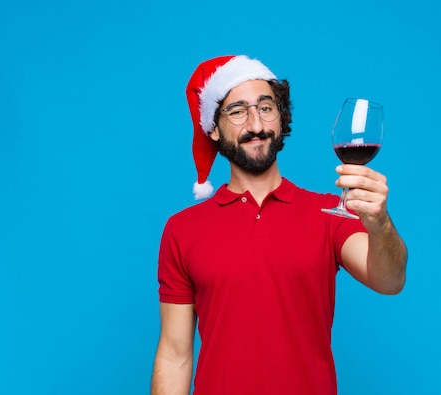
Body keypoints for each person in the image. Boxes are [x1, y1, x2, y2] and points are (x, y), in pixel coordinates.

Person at [151, 55, 408, 395]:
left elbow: (390, 280)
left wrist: (380, 224)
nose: (256, 125)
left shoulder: (329, 213)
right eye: (238, 111)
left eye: (266, 108)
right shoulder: (182, 230)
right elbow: (174, 354)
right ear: (213, 127)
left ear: (281, 118)